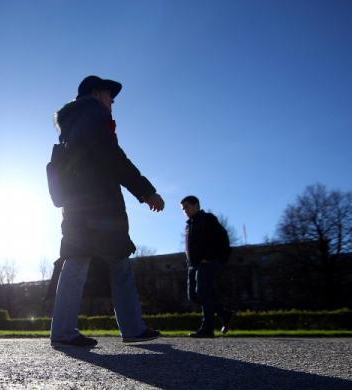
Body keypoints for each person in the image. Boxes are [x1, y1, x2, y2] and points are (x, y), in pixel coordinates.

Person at [46, 75, 165, 347]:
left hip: (76, 207)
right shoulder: (93, 116)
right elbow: (113, 158)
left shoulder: (71, 125)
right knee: (117, 262)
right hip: (100, 206)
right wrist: (146, 191)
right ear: (98, 93)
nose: (113, 102)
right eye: (111, 96)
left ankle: (64, 331)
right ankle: (131, 328)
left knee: (77, 261)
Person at [181, 195, 234, 338]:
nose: (185, 210)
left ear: (196, 205)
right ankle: (224, 314)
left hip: (207, 263)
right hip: (193, 265)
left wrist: (213, 258)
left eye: (187, 206)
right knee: (193, 296)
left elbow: (223, 238)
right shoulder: (189, 224)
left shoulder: (208, 219)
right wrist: (189, 261)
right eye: (183, 208)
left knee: (203, 294)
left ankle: (207, 328)